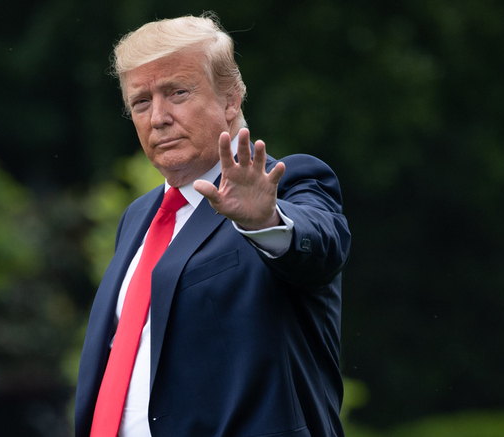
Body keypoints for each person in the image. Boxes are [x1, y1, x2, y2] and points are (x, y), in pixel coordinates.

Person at [75, 12, 351, 437]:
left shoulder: (290, 184)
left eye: (177, 92)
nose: (158, 118)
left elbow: (320, 246)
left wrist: (265, 222)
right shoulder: (136, 217)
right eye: (141, 102)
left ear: (230, 99)